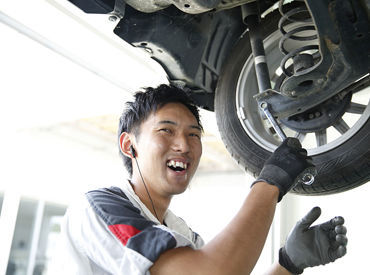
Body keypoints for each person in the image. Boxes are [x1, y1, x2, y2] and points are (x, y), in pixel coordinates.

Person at [57, 84, 347, 274]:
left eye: (193, 134)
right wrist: (270, 183)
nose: (184, 145)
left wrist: (288, 263)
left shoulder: (181, 234)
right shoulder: (99, 208)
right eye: (166, 131)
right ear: (128, 145)